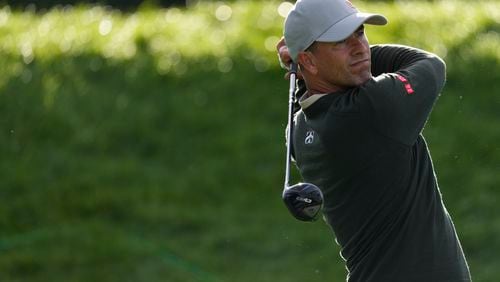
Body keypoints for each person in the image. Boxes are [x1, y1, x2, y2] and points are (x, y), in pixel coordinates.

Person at [276, 0, 472, 281]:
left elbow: (306, 95)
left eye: (359, 33)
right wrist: (300, 62)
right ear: (308, 60)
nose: (360, 47)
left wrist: (304, 65)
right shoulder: (373, 108)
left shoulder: (299, 132)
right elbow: (430, 65)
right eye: (340, 42)